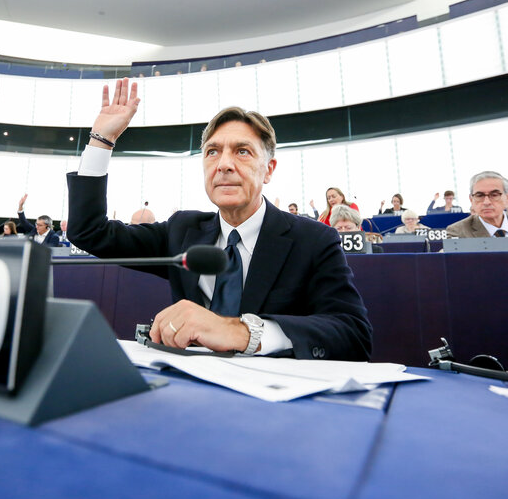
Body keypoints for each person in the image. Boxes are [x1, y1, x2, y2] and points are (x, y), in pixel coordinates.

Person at [66, 78, 371, 361]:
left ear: (269, 169)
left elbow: (353, 334)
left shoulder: (313, 240)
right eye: (212, 152)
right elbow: (90, 232)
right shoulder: (182, 232)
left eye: (242, 152)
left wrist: (242, 332)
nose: (224, 164)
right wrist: (101, 139)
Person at [446, 171, 508, 238]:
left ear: (507, 198)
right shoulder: (458, 231)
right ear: (471, 200)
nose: (486, 202)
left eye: (494, 195)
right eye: (480, 196)